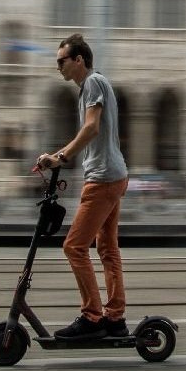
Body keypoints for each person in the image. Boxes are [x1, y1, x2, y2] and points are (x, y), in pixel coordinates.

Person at [35, 34, 130, 341]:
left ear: (79, 60)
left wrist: (59, 156)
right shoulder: (91, 86)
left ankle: (92, 316)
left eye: (61, 60)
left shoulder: (92, 83)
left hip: (102, 179)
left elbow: (91, 127)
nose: (58, 66)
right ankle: (115, 318)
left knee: (74, 247)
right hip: (113, 175)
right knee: (107, 249)